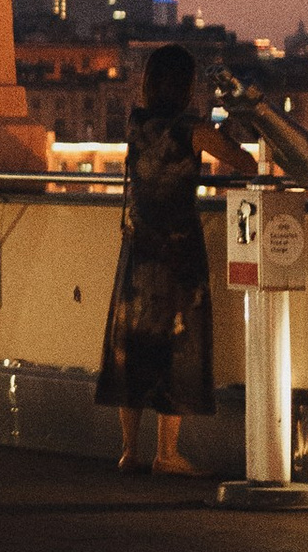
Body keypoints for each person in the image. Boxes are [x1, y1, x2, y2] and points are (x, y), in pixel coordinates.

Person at [94, 42, 244, 472]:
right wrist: (230, 123)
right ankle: (168, 452)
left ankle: (129, 451)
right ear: (187, 85)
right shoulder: (192, 129)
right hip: (179, 249)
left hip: (139, 249)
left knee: (134, 343)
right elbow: (243, 162)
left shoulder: (135, 124)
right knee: (179, 342)